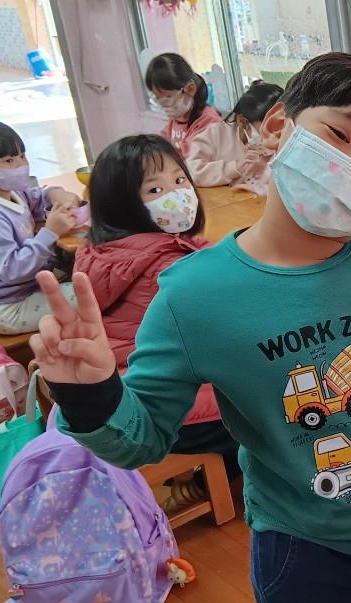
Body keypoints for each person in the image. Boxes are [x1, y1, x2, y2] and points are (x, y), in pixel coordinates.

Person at [31, 53, 351, 603]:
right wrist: (91, 394)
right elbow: (143, 438)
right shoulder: (192, 294)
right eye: (338, 135)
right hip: (303, 550)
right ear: (278, 125)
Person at [74, 134, 239, 501]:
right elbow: (226, 334)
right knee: (268, 409)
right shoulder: (166, 267)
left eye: (179, 180)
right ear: (122, 204)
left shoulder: (103, 252)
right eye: (155, 189)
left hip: (124, 392)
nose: (176, 195)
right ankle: (202, 487)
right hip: (170, 412)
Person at [0, 119, 80, 334]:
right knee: (90, 293)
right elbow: (12, 269)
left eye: (22, 156)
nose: (21, 165)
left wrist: (56, 193)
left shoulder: (10, 192)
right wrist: (50, 232)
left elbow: (36, 198)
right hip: (9, 307)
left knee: (85, 275)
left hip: (30, 287)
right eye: (9, 160)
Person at [186, 80, 284, 194]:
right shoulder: (217, 134)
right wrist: (234, 167)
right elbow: (191, 172)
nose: (274, 138)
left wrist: (261, 191)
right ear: (242, 121)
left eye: (280, 129)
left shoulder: (288, 141)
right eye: (266, 130)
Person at [146, 53, 222, 157]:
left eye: (167, 98)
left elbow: (193, 155)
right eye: (158, 99)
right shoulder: (176, 119)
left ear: (190, 89)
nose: (163, 106)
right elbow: (162, 142)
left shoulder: (210, 121)